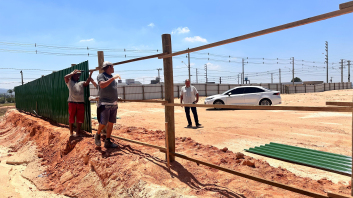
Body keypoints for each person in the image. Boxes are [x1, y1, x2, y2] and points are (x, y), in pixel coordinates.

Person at [94, 61, 121, 148]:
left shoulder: (111, 77)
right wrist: (113, 78)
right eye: (112, 66)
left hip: (113, 103)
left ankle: (108, 141)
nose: (113, 68)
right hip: (105, 103)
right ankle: (97, 134)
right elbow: (102, 85)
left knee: (111, 123)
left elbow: (112, 89)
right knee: (103, 122)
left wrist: (117, 97)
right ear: (109, 67)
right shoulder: (101, 76)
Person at [64, 69, 91, 136]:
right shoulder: (69, 82)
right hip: (72, 103)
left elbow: (87, 83)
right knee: (71, 118)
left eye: (79, 76)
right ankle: (71, 132)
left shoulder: (81, 83)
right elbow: (65, 77)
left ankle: (78, 133)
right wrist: (73, 73)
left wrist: (91, 73)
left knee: (80, 119)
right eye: (77, 76)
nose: (78, 77)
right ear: (73, 76)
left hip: (80, 103)